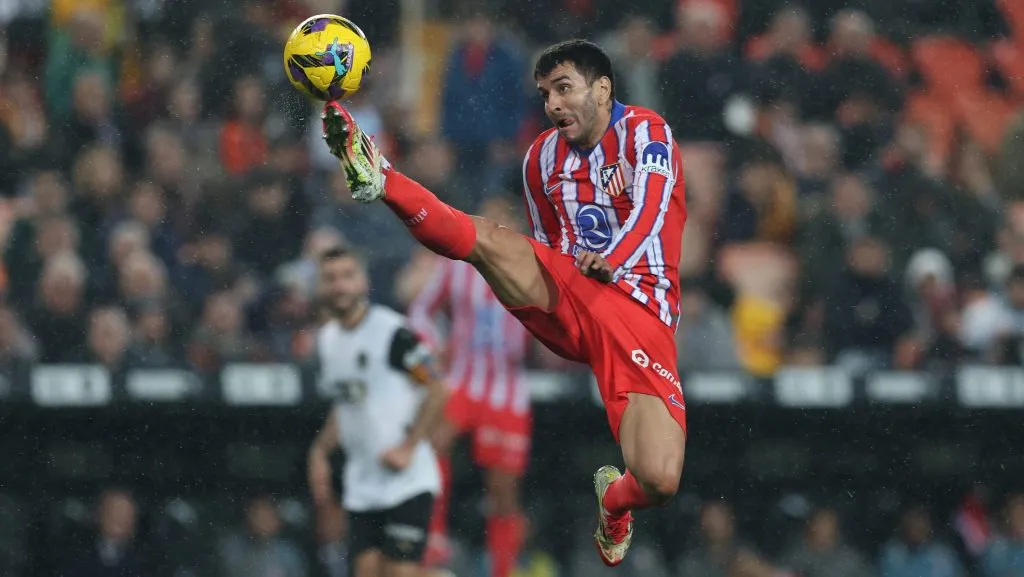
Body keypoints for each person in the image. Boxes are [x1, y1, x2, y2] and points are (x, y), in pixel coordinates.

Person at [322, 39, 687, 567]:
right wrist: (574, 281)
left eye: (564, 88)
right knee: (490, 241)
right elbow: (547, 243)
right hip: (575, 298)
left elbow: (653, 208)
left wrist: (616, 261)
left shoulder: (647, 131)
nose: (553, 105)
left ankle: (614, 500)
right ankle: (380, 176)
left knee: (658, 479)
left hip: (641, 314)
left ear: (603, 88)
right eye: (544, 95)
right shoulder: (540, 158)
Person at [408, 196, 533, 577]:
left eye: (502, 220)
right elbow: (419, 312)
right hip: (461, 379)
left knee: (503, 493)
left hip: (507, 389)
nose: (493, 228)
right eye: (488, 218)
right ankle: (433, 543)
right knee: (430, 448)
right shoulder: (455, 265)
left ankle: (501, 567)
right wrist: (432, 350)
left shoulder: (531, 263)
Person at [307, 246, 449, 577]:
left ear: (363, 282)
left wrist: (408, 446)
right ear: (321, 287)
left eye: (347, 276)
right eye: (331, 278)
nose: (339, 285)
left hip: (406, 481)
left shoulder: (391, 333)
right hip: (362, 485)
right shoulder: (327, 340)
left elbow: (437, 387)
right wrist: (320, 450)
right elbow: (345, 404)